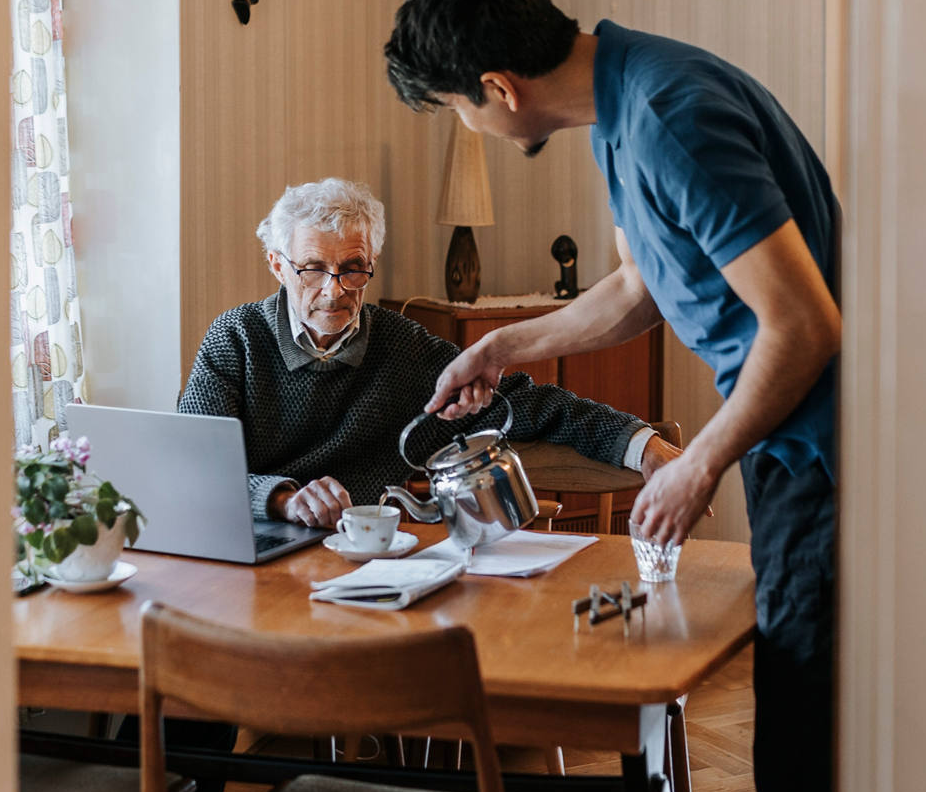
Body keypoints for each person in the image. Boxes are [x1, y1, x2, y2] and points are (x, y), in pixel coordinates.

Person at [385, 0, 842, 792]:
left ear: (496, 88)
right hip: (789, 450)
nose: (470, 123)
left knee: (805, 767)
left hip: (823, 462)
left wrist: (700, 460)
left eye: (458, 108)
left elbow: (804, 325)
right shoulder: (621, 100)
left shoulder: (670, 120)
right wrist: (503, 345)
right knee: (798, 754)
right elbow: (641, 288)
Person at [179, 175, 683, 531]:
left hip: (366, 558)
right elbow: (189, 466)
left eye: (353, 268)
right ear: (277, 265)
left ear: (372, 261)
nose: (334, 291)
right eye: (312, 269)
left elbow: (529, 404)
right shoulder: (236, 338)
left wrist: (643, 445)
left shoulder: (403, 348)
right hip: (252, 543)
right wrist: (283, 499)